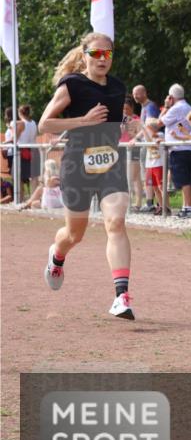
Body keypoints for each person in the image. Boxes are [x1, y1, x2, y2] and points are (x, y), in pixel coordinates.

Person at [38, 32, 136, 320]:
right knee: (74, 234)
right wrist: (84, 120)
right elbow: (46, 124)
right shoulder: (72, 86)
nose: (102, 59)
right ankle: (57, 255)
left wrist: (125, 129)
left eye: (107, 54)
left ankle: (121, 296)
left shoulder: (118, 87)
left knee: (116, 222)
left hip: (110, 163)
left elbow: (114, 127)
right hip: (77, 166)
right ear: (85, 56)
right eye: (96, 54)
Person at [152, 84, 191, 218]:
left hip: (179, 149)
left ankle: (189, 207)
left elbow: (158, 123)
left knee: (183, 181)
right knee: (185, 179)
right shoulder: (188, 107)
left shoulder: (175, 109)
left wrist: (166, 107)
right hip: (188, 148)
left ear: (171, 97)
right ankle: (186, 206)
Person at [132, 84, 159, 211]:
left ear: (144, 93)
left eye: (137, 93)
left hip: (150, 145)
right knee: (146, 174)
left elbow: (149, 127)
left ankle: (151, 203)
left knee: (150, 174)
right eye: (133, 94)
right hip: (146, 144)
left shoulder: (150, 107)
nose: (135, 96)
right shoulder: (144, 108)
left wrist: (136, 138)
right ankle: (149, 202)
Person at [120, 98, 144, 211]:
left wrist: (132, 134)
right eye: (123, 108)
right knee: (124, 176)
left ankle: (137, 203)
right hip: (122, 148)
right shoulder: (121, 119)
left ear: (132, 108)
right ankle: (125, 201)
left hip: (133, 149)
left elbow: (139, 133)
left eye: (127, 109)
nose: (125, 111)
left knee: (135, 176)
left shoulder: (136, 119)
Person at [139, 118, 166, 214]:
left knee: (161, 187)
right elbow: (147, 139)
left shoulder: (160, 134)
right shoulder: (148, 136)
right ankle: (161, 206)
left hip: (159, 165)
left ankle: (166, 207)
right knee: (154, 187)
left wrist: (145, 129)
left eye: (148, 127)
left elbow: (157, 138)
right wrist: (143, 128)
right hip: (149, 165)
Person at [18, 104, 39, 198]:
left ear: (20, 113)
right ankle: (33, 197)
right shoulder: (34, 122)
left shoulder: (21, 123)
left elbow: (15, 138)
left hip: (24, 151)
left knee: (20, 177)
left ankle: (20, 198)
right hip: (34, 149)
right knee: (34, 176)